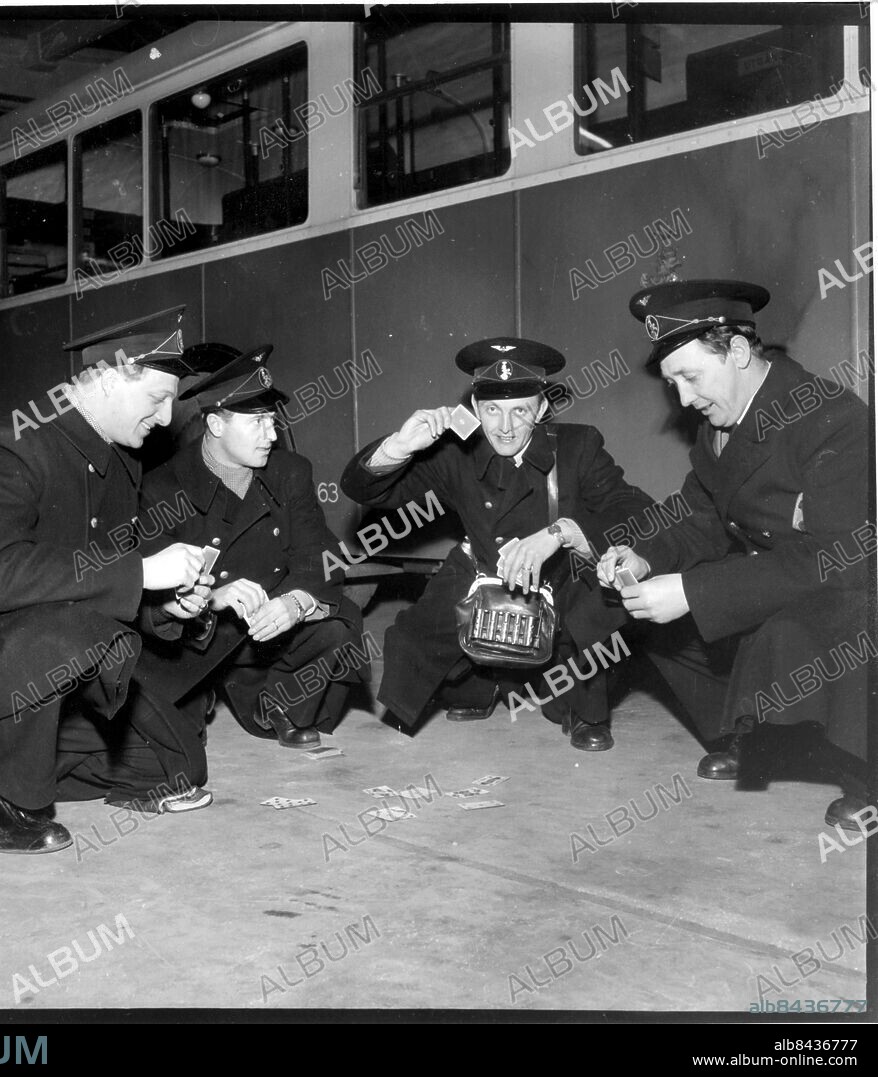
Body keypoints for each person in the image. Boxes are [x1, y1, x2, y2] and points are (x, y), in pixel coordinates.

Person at [0, 307, 216, 855]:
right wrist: (144, 571)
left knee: (173, 766)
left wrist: (163, 606)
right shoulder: (10, 443)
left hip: (58, 648)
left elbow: (100, 582)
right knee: (64, 632)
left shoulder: (122, 463)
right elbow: (0, 578)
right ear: (107, 378)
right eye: (157, 398)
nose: (165, 416)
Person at [597, 279, 871, 831]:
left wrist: (692, 591)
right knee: (643, 619)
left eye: (691, 377)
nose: (683, 400)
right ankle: (744, 733)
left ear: (739, 352)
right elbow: (699, 515)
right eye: (672, 383)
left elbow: (839, 559)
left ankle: (866, 777)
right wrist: (643, 557)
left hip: (847, 592)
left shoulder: (831, 417)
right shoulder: (719, 426)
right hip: (777, 582)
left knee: (796, 627)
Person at [340, 338, 656, 749]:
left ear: (541, 409)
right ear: (475, 407)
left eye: (519, 411)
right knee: (415, 637)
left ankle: (583, 713)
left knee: (586, 641)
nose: (504, 427)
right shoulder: (456, 453)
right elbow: (364, 491)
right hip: (482, 572)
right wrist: (399, 446)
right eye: (492, 410)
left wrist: (563, 532)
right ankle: (477, 687)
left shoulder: (577, 446)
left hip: (558, 582)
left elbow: (634, 508)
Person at [131, 342, 366, 751]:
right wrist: (212, 598)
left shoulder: (290, 472)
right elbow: (151, 600)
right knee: (173, 753)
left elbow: (319, 554)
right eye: (257, 422)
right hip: (198, 639)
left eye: (272, 421)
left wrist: (296, 602)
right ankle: (204, 691)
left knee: (338, 623)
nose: (271, 435)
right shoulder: (163, 488)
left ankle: (280, 704)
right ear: (216, 425)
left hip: (266, 630)